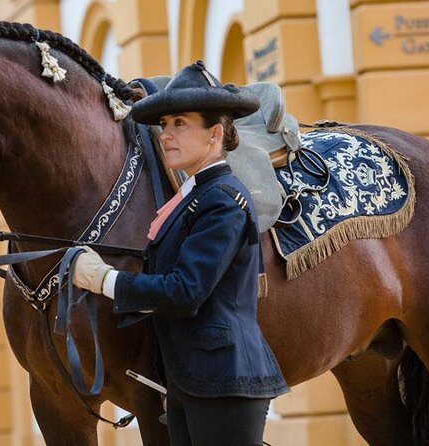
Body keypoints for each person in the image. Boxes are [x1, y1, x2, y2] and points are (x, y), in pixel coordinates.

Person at [72, 60, 289, 446]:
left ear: (215, 134)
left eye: (181, 124)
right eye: (165, 125)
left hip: (225, 381)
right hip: (190, 379)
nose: (166, 135)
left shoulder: (222, 200)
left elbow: (185, 290)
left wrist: (105, 279)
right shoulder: (194, 196)